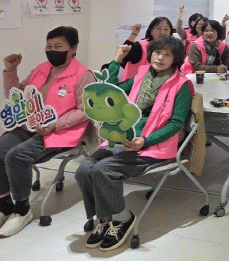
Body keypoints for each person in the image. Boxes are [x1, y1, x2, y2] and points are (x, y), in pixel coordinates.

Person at [76, 37, 194, 251]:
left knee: (104, 170)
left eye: (167, 54)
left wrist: (146, 141)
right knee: (84, 169)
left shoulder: (182, 85)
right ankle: (105, 218)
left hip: (154, 145)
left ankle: (122, 218)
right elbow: (112, 91)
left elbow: (177, 124)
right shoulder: (141, 75)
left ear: (175, 59)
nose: (160, 57)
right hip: (123, 136)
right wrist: (117, 60)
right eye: (157, 52)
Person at [0, 26, 95, 236]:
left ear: (74, 48)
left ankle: (22, 210)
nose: (52, 50)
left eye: (58, 46)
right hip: (30, 126)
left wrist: (55, 125)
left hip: (59, 132)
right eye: (49, 45)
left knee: (16, 156)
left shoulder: (83, 75)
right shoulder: (41, 69)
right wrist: (10, 71)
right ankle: (4, 205)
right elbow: (16, 97)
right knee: (1, 149)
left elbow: (85, 111)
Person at [119, 17, 174, 82]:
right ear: (151, 31)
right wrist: (134, 34)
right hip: (133, 85)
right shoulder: (140, 46)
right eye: (159, 28)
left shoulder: (172, 49)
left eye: (166, 29)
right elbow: (125, 54)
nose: (162, 32)